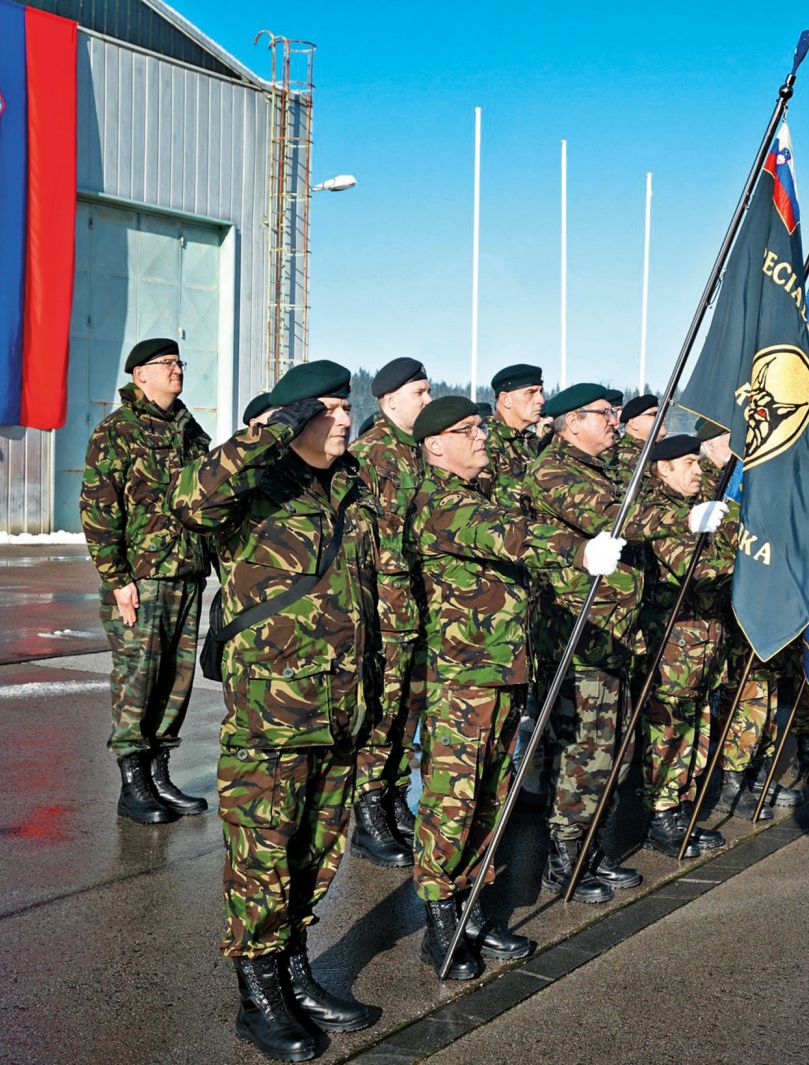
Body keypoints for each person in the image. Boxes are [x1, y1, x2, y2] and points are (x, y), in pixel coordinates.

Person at [172, 361, 377, 1062]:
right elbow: (192, 500)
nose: (346, 418)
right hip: (272, 712)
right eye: (330, 408)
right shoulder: (256, 483)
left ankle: (294, 972)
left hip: (341, 707)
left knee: (314, 853)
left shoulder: (351, 487)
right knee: (263, 853)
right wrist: (272, 430)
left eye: (349, 405)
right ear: (294, 417)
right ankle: (257, 995)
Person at [408, 395, 624, 978]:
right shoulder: (438, 502)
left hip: (505, 673)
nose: (481, 437)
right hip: (462, 680)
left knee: (490, 798)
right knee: (452, 801)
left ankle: (474, 904)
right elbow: (509, 534)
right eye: (468, 430)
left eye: (481, 428)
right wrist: (579, 549)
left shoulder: (481, 493)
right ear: (435, 445)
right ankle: (440, 918)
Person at [524, 383, 725, 901]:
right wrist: (684, 517)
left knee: (612, 748)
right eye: (604, 414)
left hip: (617, 632)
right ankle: (565, 859)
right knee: (583, 751)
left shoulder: (605, 467)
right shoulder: (552, 471)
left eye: (615, 413)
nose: (614, 421)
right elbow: (611, 517)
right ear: (572, 423)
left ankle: (591, 847)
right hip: (579, 632)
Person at [80, 337, 210, 825]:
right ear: (140, 375)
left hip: (186, 574)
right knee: (139, 678)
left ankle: (158, 774)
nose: (177, 369)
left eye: (180, 361)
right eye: (167, 363)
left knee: (176, 681)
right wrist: (117, 578)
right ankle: (132, 782)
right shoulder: (117, 432)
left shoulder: (190, 431)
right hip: (142, 579)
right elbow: (98, 509)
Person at [347, 357, 432, 868]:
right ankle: (368, 814)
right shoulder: (368, 456)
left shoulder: (423, 453)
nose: (426, 399)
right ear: (389, 400)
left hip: (421, 609)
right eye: (419, 392)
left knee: (409, 713)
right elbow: (360, 542)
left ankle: (396, 798)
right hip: (384, 612)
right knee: (380, 712)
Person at [636, 434, 733, 856]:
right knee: (668, 728)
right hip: (674, 644)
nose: (698, 470)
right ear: (664, 469)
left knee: (696, 727)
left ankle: (681, 809)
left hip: (704, 642)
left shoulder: (696, 508)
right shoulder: (659, 513)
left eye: (698, 461)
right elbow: (691, 568)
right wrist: (751, 569)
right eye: (689, 463)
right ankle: (661, 815)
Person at [485, 363, 546, 496]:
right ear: (506, 400)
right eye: (531, 393)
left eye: (541, 392)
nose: (541, 400)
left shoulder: (535, 441)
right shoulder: (484, 440)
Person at [605, 393, 661, 476]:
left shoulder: (655, 450)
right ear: (633, 423)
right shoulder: (625, 454)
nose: (662, 418)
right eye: (654, 414)